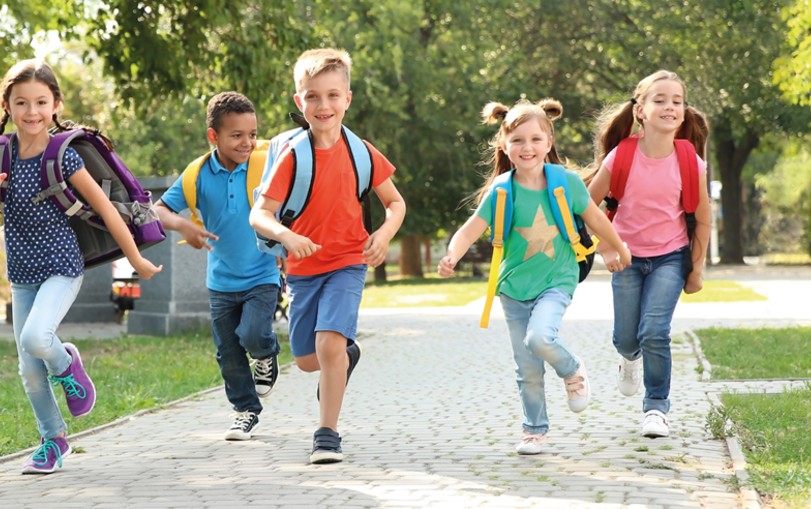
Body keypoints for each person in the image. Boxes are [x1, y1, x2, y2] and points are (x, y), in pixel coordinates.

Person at [0, 59, 162, 474]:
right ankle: (53, 440)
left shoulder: (64, 157)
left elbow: (107, 211)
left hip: (61, 266)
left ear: (55, 104)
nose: (31, 112)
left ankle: (68, 363)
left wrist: (137, 258)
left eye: (40, 102)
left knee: (38, 337)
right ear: (7, 105)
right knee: (29, 370)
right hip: (21, 273)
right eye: (21, 103)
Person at [438, 99, 631, 455]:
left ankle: (572, 369)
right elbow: (468, 231)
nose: (527, 147)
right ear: (504, 144)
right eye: (517, 140)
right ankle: (534, 430)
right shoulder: (501, 190)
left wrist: (618, 245)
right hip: (512, 288)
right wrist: (451, 255)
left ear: (549, 141)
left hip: (557, 280)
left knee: (540, 338)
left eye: (535, 139)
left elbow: (597, 219)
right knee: (527, 368)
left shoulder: (566, 183)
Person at [250, 48, 406, 464]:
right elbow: (259, 214)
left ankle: (327, 435)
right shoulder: (292, 155)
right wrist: (287, 236)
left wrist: (385, 233)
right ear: (299, 101)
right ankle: (344, 356)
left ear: (347, 99)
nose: (324, 105)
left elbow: (396, 204)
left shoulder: (362, 152)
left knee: (328, 342)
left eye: (333, 95)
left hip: (348, 262)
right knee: (305, 361)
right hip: (302, 270)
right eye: (313, 96)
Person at [585, 70, 710, 439]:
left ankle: (656, 407)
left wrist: (696, 271)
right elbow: (586, 207)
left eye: (677, 101)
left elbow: (702, 222)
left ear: (684, 113)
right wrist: (608, 247)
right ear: (640, 110)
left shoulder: (692, 162)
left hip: (671, 257)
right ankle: (629, 359)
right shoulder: (620, 157)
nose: (669, 107)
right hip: (626, 257)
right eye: (660, 100)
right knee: (627, 338)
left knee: (655, 331)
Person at [154, 92, 283, 442]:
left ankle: (267, 355)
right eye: (237, 135)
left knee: (254, 335)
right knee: (228, 354)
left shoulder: (267, 163)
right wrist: (183, 226)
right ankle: (245, 411)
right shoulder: (197, 173)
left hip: (263, 273)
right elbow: (159, 210)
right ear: (214, 136)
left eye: (253, 134)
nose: (248, 142)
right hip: (221, 282)